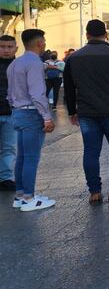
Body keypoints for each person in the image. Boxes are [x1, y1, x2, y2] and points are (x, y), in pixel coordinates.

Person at [63, 20, 109, 205]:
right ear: (105, 35)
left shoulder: (73, 58)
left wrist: (72, 111)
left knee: (90, 152)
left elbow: (69, 89)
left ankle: (94, 192)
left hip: (87, 112)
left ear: (87, 34)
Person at [8, 29, 56, 211]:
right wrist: (46, 117)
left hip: (17, 112)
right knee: (31, 158)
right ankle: (29, 198)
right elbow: (37, 93)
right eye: (43, 41)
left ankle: (21, 195)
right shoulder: (35, 63)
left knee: (21, 156)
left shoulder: (15, 63)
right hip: (31, 113)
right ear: (39, 43)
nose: (44, 44)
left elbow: (10, 93)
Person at [0, 35, 17, 192]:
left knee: (9, 147)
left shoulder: (19, 66)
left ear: (16, 48)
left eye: (9, 47)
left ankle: (5, 178)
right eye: (2, 46)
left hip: (12, 113)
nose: (6, 50)